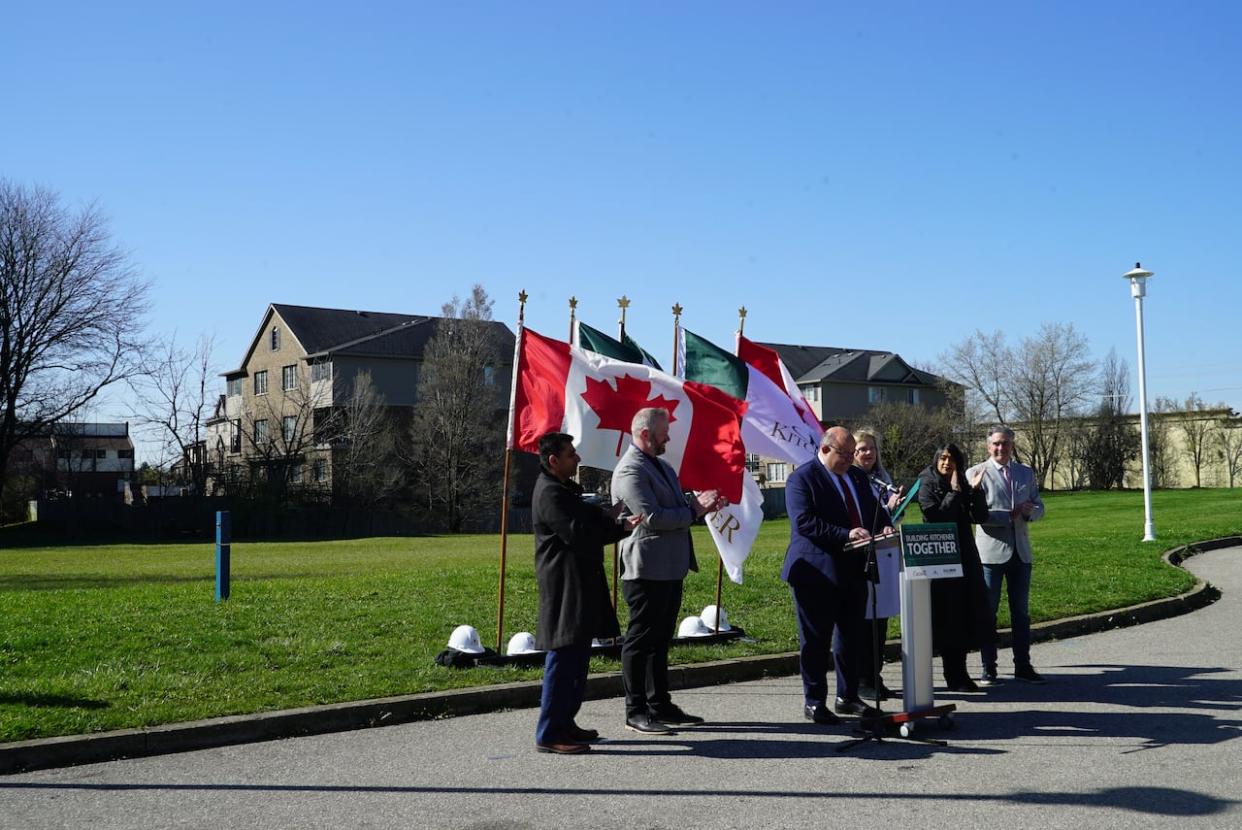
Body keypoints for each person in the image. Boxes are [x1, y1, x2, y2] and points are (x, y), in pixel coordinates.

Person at [611, 407, 726, 735]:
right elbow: (653, 517)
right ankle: (635, 710)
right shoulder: (630, 471)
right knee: (640, 639)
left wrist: (700, 508)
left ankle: (659, 703)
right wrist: (693, 508)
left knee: (660, 640)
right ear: (645, 434)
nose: (669, 438)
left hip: (669, 567)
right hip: (645, 569)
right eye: (664, 432)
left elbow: (679, 509)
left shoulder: (660, 466)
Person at [532, 431, 643, 754]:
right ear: (553, 461)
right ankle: (550, 731)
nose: (577, 458)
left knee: (577, 658)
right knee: (564, 657)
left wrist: (607, 516)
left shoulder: (563, 489)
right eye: (570, 454)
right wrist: (618, 528)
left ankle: (565, 722)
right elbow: (578, 533)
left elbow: (583, 517)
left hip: (579, 582)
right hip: (564, 586)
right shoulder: (550, 493)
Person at [782, 426, 893, 725]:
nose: (849, 460)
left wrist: (884, 524)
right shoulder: (802, 479)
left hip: (854, 569)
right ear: (826, 449)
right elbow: (804, 523)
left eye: (852, 454)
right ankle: (814, 701)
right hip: (816, 572)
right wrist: (845, 534)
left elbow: (873, 508)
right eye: (844, 454)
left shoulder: (857, 476)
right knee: (815, 641)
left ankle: (848, 696)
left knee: (851, 638)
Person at [966, 426, 1047, 685]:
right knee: (987, 612)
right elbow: (974, 514)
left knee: (1020, 613)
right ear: (988, 446)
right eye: (996, 444)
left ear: (1012, 446)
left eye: (1006, 444)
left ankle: (1022, 665)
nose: (1001, 449)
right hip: (990, 554)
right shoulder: (976, 473)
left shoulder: (1025, 472)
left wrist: (1029, 512)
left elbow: (1039, 506)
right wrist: (1008, 515)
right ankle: (988, 667)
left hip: (1021, 553)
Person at [917, 443, 995, 692]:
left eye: (951, 459)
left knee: (966, 614)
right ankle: (951, 674)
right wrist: (953, 492)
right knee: (947, 617)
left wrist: (976, 491)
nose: (946, 463)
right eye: (942, 458)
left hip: (965, 555)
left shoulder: (961, 480)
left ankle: (960, 672)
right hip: (940, 557)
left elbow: (980, 517)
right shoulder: (927, 481)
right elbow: (935, 516)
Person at [852, 428, 902, 701]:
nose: (867, 453)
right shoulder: (851, 479)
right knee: (865, 621)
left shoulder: (882, 478)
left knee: (881, 619)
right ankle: (862, 678)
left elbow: (889, 515)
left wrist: (894, 506)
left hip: (885, 552)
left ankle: (876, 675)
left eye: (871, 448)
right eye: (861, 449)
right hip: (862, 553)